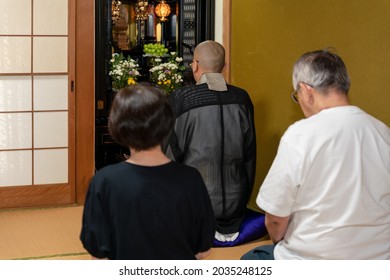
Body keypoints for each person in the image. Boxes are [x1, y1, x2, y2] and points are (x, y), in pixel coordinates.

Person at [241, 49, 390, 260]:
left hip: (313, 261)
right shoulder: (382, 132)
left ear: (306, 90)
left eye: (297, 95)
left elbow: (274, 220)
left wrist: (281, 243)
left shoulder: (301, 135)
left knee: (250, 260)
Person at [80, 83, 215, 260]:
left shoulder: (104, 181)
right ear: (168, 123)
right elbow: (202, 250)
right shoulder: (191, 178)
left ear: (116, 125)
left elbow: (98, 252)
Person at [164, 40, 257, 242]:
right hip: (236, 205)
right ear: (224, 67)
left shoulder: (182, 98)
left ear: (195, 65)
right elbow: (250, 156)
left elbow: (169, 156)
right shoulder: (242, 99)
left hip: (194, 206)